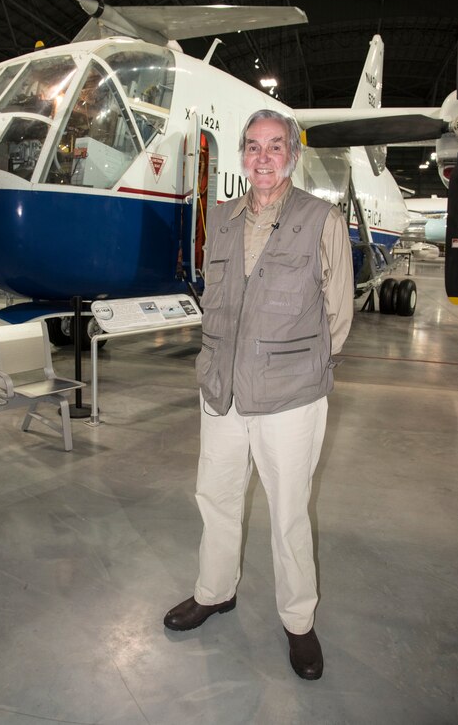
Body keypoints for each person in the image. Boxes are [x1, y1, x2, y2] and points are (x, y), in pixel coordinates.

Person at [164, 109, 354, 681]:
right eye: (253, 147)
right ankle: (215, 591)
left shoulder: (321, 218)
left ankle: (299, 622)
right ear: (241, 156)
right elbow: (217, 299)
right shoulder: (219, 221)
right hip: (221, 390)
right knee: (215, 497)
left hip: (290, 396)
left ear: (291, 155)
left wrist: (306, 370)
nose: (264, 157)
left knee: (289, 512)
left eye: (275, 147)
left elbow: (339, 311)